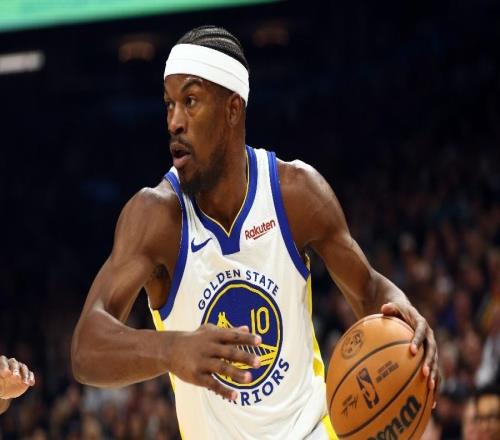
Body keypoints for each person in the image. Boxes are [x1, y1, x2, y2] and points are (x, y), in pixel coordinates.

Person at [71, 25, 438, 439]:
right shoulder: (154, 217)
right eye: (169, 104)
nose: (174, 122)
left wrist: (403, 313)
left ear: (232, 109)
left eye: (190, 102)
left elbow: (369, 290)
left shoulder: (297, 193)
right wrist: (172, 349)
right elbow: (86, 348)